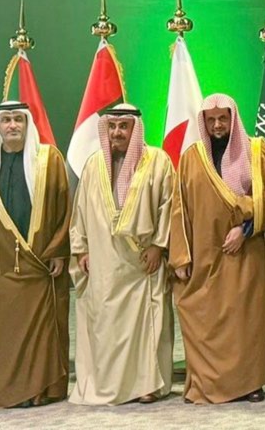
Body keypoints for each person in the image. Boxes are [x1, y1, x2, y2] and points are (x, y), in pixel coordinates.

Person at [168, 93, 265, 404]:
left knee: (246, 322)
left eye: (223, 119)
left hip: (246, 253)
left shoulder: (256, 151)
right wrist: (180, 256)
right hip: (205, 255)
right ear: (204, 122)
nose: (218, 125)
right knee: (206, 318)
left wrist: (245, 228)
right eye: (211, 120)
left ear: (233, 119)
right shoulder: (192, 157)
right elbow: (178, 208)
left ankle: (249, 383)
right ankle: (209, 382)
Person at [0, 101, 71, 408]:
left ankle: (37, 390)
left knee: (39, 332)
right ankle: (3, 388)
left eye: (17, 120)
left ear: (27, 123)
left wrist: (58, 251)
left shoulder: (49, 160)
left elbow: (65, 208)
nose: (12, 125)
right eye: (6, 120)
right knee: (0, 331)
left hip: (38, 264)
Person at [69, 104, 175, 405]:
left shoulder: (157, 162)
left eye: (124, 127)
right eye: (112, 127)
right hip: (103, 261)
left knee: (145, 325)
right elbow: (80, 211)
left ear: (135, 129)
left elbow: (168, 206)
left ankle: (147, 385)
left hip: (142, 260)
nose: (117, 133)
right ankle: (110, 381)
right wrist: (81, 249)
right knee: (108, 325)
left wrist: (159, 245)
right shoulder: (93, 165)